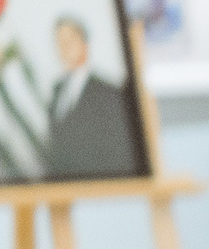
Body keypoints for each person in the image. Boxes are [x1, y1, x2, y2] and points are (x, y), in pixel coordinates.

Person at [45, 15, 143, 178]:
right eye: (59, 42)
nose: (64, 48)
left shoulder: (108, 93)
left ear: (84, 44)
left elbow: (117, 152)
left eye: (69, 41)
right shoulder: (56, 91)